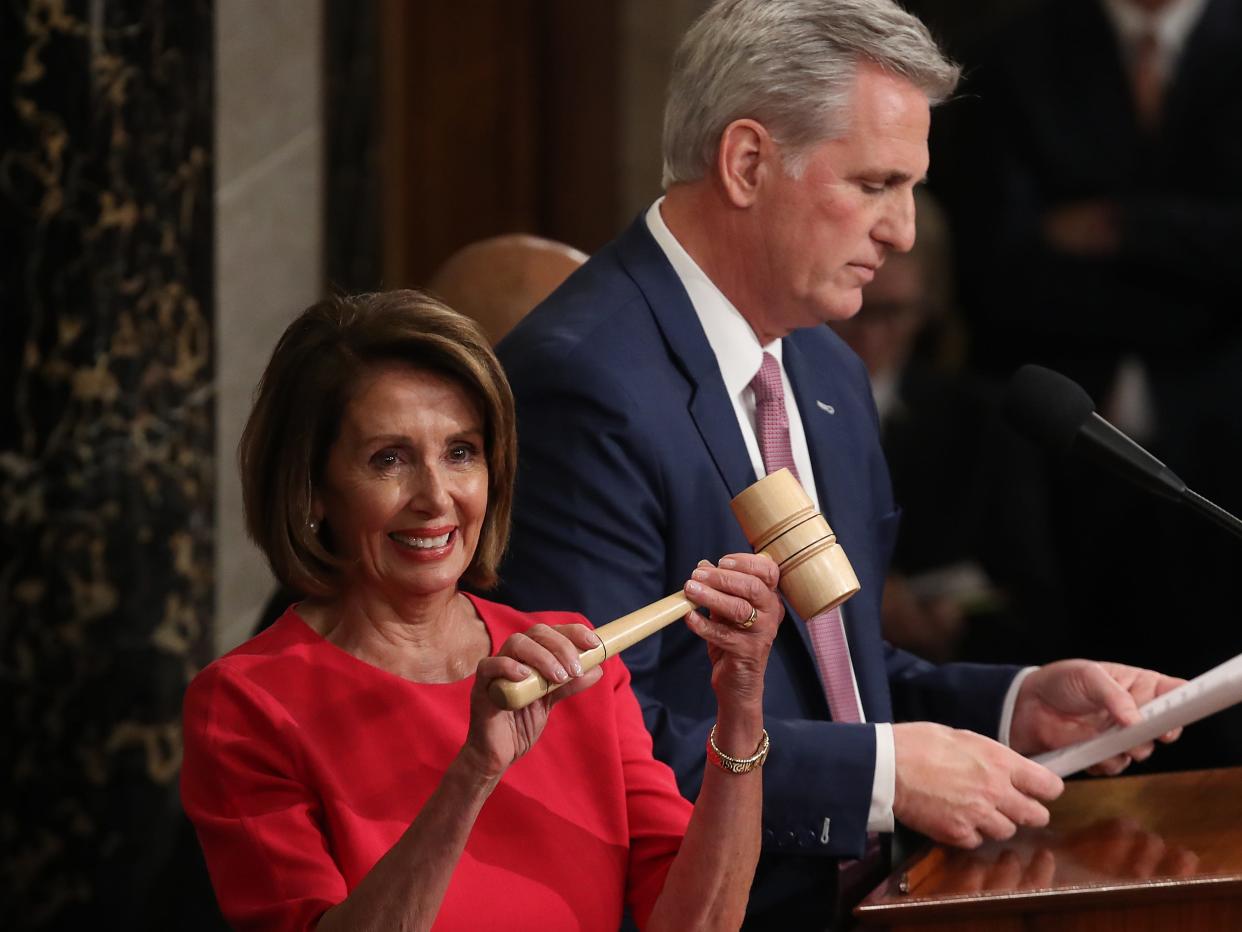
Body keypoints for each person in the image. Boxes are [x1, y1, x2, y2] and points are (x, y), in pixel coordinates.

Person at [494, 1, 1184, 926]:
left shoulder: (823, 366)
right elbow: (587, 739)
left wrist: (1016, 705)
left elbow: (837, 676)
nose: (903, 232)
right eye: (874, 184)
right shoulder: (582, 382)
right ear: (746, 163)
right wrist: (888, 774)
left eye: (912, 188)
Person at [180, 290, 785, 931]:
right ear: (313, 488)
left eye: (461, 452)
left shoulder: (574, 662)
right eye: (389, 459)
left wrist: (741, 707)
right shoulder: (246, 705)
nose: (436, 498)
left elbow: (699, 925)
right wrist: (474, 771)